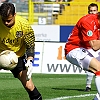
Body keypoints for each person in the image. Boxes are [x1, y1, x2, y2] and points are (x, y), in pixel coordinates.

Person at [0, 2, 42, 100]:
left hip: (17, 56)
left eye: (9, 20)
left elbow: (30, 44)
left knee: (29, 86)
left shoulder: (24, 25)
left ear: (15, 15)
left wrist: (30, 60)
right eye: (3, 20)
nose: (6, 23)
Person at [64, 12, 100, 100]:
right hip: (74, 49)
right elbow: (94, 45)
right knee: (98, 68)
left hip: (87, 49)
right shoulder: (88, 21)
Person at [84, 3, 98, 92]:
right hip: (90, 47)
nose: (93, 12)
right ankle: (88, 85)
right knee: (92, 67)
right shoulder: (86, 21)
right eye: (91, 11)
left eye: (94, 11)